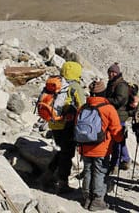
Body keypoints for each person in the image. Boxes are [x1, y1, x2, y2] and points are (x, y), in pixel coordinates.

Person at [79, 79, 124, 211]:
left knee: (87, 171)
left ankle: (87, 198)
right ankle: (97, 201)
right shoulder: (108, 108)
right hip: (101, 148)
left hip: (85, 146)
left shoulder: (83, 107)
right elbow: (116, 130)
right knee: (99, 172)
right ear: (103, 92)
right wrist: (120, 138)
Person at [43, 61, 86, 193]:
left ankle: (49, 175)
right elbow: (82, 106)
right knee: (67, 153)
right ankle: (62, 182)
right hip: (67, 124)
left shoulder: (55, 83)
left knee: (62, 150)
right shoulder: (74, 86)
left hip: (53, 122)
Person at [105, 62, 131, 172]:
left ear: (117, 73)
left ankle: (115, 164)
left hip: (119, 116)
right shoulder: (112, 83)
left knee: (117, 140)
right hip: (113, 115)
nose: (111, 74)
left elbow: (120, 100)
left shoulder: (121, 85)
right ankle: (125, 159)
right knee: (119, 139)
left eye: (113, 72)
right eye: (109, 72)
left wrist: (106, 101)